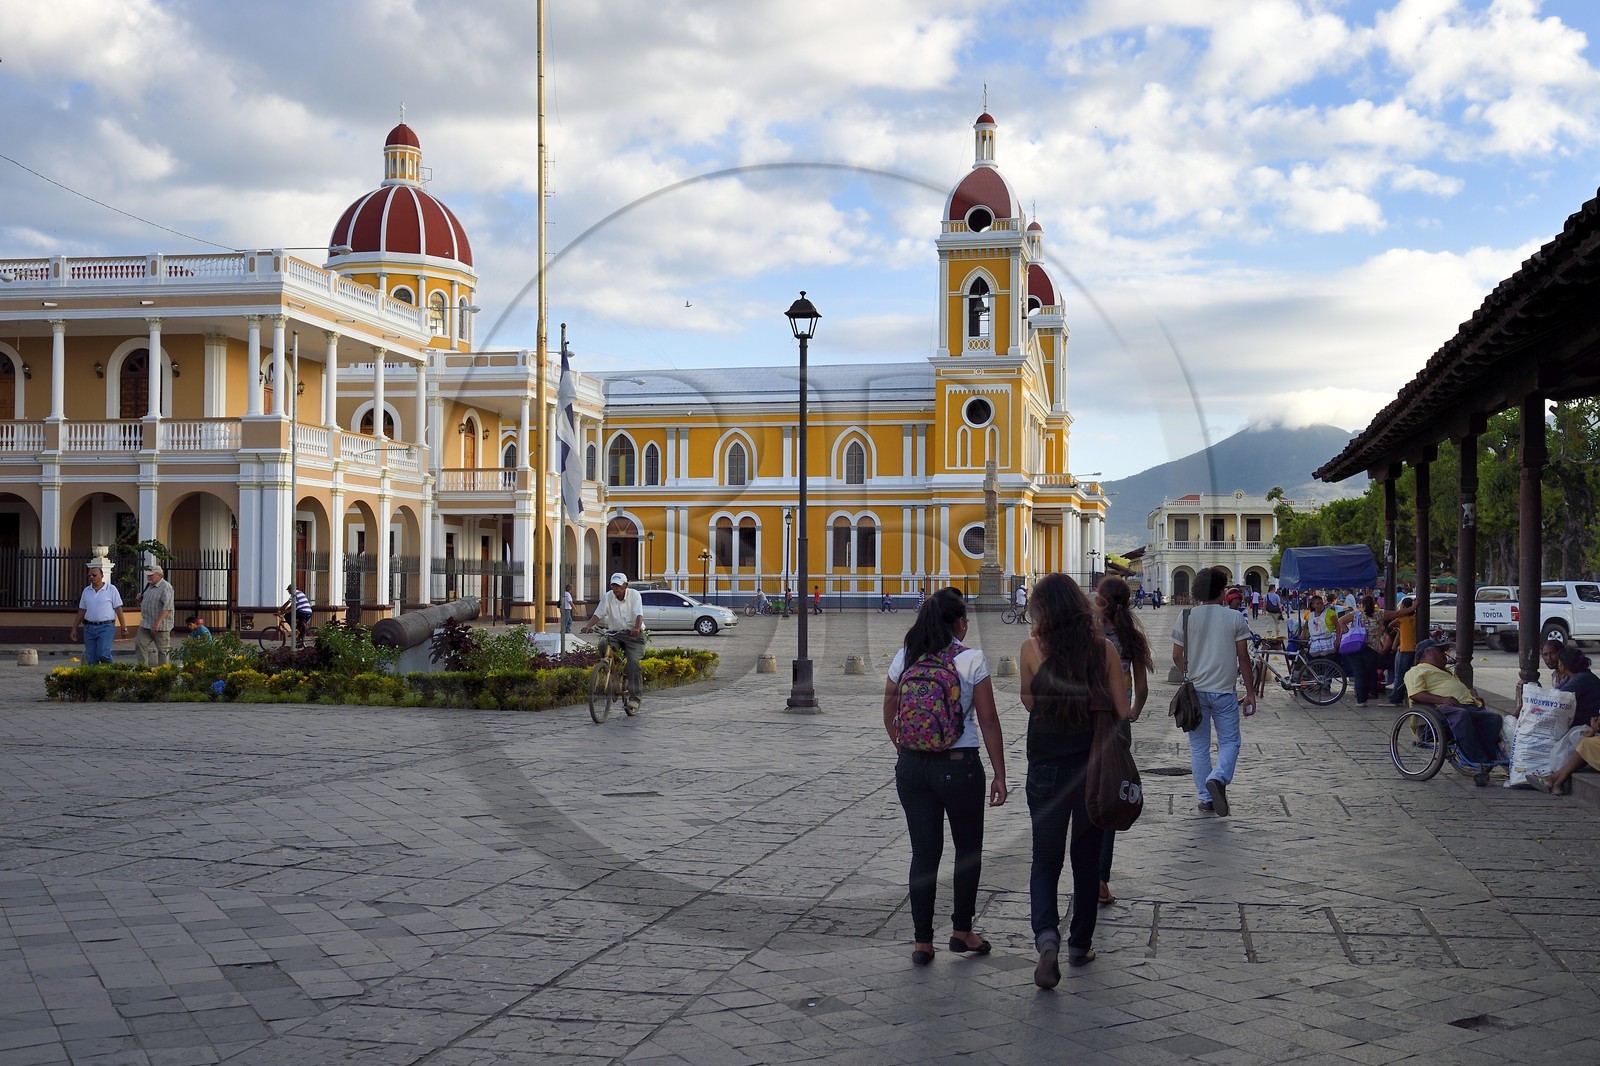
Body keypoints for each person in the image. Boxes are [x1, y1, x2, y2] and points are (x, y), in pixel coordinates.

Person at [882, 588, 1007, 967]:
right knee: (967, 851)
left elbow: (888, 707)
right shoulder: (970, 659)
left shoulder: (906, 656)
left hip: (912, 766)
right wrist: (1000, 774)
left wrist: (903, 747)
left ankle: (922, 941)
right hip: (959, 764)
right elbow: (987, 719)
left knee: (924, 853)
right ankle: (961, 930)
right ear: (959, 623)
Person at [1021, 573, 1132, 987]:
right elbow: (1121, 708)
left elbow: (1030, 702)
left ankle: (1047, 939)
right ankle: (1080, 944)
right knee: (1085, 860)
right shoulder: (1102, 649)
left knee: (1044, 860)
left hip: (1046, 769)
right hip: (1092, 768)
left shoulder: (1032, 648)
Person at [1172, 566, 1255, 816]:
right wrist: (1250, 692)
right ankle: (1218, 777)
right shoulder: (1234, 617)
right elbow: (1243, 658)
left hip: (1195, 692)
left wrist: (1190, 672)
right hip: (1224, 692)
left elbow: (1177, 656)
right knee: (1230, 742)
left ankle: (1206, 798)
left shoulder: (1185, 616)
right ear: (1221, 591)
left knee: (1199, 748)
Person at [1093, 576, 1150, 907]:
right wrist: (1132, 712)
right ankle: (1100, 878)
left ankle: (1082, 869)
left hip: (1087, 720)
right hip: (1117, 723)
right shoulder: (1131, 637)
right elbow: (1141, 688)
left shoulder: (1087, 634)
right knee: (1109, 798)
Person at [1404, 638, 1504, 769]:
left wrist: (1474, 698)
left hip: (1465, 707)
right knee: (1461, 715)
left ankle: (1489, 757)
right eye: (1440, 651)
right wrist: (1442, 699)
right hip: (1440, 710)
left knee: (1494, 719)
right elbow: (1416, 694)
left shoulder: (1447, 672)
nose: (1444, 654)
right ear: (1427, 652)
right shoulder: (1417, 671)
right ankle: (1477, 759)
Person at [583, 573, 646, 712]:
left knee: (633, 663)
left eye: (618, 586)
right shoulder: (608, 596)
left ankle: (634, 699)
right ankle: (611, 668)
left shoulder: (635, 595)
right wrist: (589, 626)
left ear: (625, 586)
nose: (616, 589)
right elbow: (598, 614)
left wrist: (636, 628)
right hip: (615, 634)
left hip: (633, 635)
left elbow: (639, 614)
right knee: (603, 644)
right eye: (613, 586)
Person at [70, 564, 128, 664]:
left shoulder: (111, 589)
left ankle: (113, 672)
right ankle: (95, 677)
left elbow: (118, 609)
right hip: (89, 627)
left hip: (106, 627)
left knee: (103, 653)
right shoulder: (86, 591)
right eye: (89, 576)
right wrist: (74, 628)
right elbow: (82, 610)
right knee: (91, 657)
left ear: (101, 576)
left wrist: (123, 627)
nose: (91, 577)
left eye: (94, 575)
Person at [1336, 595, 1382, 706]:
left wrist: (1349, 632)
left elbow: (1341, 621)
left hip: (1355, 646)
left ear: (1362, 604)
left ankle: (1361, 700)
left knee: (1359, 673)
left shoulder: (1356, 614)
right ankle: (1369, 694)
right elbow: (1397, 614)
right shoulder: (1380, 613)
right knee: (1369, 672)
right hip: (1372, 648)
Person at [136, 565, 176, 666]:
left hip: (161, 625)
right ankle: (142, 668)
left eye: (151, 575)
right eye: (148, 576)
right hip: (146, 622)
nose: (149, 578)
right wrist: (140, 598)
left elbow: (167, 608)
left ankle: (163, 672)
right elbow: (148, 602)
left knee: (162, 650)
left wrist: (156, 624)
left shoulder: (166, 587)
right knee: (140, 643)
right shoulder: (149, 586)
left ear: (159, 575)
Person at [1382, 596, 1418, 706]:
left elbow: (1390, 624)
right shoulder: (1415, 619)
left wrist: (1399, 628)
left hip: (1403, 649)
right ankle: (1400, 697)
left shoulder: (1402, 618)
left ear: (1404, 607)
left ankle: (1395, 700)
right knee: (1404, 675)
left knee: (1399, 676)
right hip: (1412, 649)